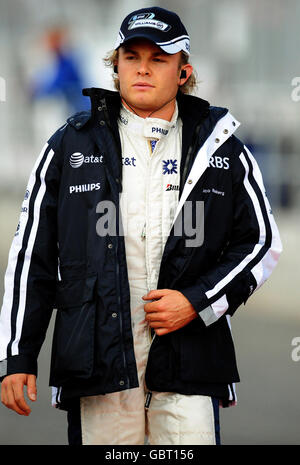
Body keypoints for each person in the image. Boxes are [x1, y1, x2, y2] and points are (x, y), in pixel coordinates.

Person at [0, 6, 282, 445]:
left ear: (183, 71)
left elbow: (261, 243)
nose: (143, 69)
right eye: (131, 57)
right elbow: (30, 255)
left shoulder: (222, 147)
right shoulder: (68, 145)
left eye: (159, 58)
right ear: (116, 66)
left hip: (191, 360)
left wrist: (196, 301)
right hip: (98, 365)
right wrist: (18, 354)